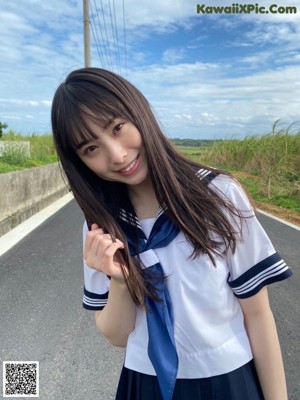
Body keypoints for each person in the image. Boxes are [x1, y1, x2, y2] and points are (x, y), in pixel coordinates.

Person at [51, 67, 292, 400]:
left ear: (139, 112)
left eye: (118, 128)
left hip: (226, 381)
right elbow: (117, 336)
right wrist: (120, 280)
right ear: (79, 162)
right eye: (91, 148)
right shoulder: (101, 228)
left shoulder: (218, 196)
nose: (117, 154)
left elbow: (257, 313)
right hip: (144, 383)